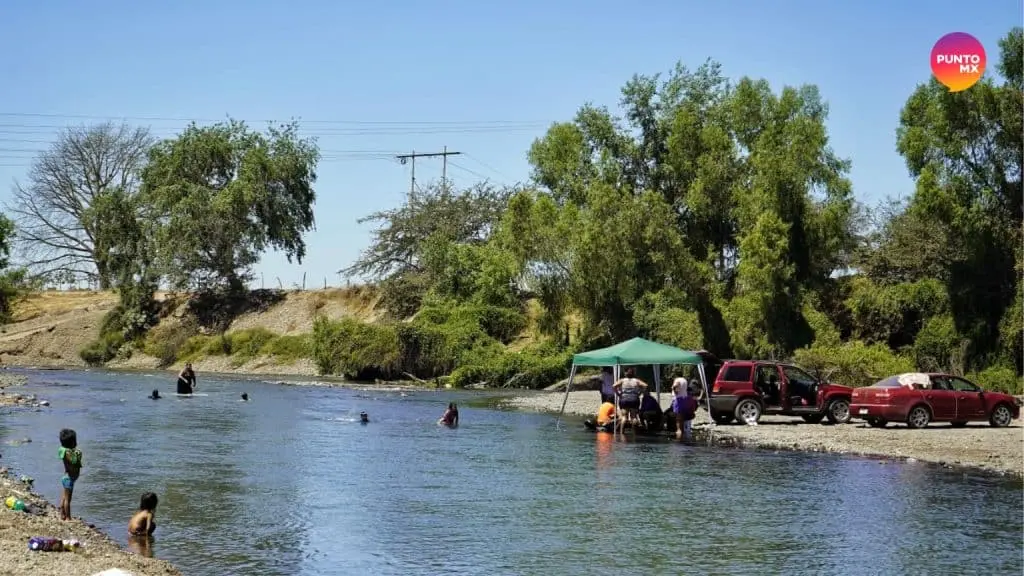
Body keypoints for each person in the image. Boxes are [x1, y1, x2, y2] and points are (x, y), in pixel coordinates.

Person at [613, 368, 648, 433]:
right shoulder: (636, 380)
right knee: (634, 417)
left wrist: (618, 394)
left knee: (624, 417)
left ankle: (621, 433)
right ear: (633, 373)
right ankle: (634, 433)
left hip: (624, 399)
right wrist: (640, 393)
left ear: (626, 373)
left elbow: (614, 386)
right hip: (634, 399)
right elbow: (645, 385)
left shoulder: (622, 380)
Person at [58, 428, 82, 521]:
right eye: (75, 441)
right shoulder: (67, 453)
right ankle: (68, 517)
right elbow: (73, 461)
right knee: (68, 499)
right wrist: (78, 454)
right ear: (72, 443)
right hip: (69, 479)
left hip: (67, 478)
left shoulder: (67, 452)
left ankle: (62, 514)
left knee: (64, 497)